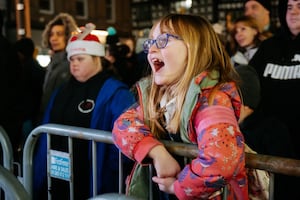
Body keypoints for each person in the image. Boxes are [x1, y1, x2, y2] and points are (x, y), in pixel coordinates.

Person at [112, 13, 248, 199]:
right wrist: (157, 152)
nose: (151, 49)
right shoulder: (157, 97)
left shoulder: (211, 100)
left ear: (194, 48)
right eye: (150, 42)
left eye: (162, 40)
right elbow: (123, 125)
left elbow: (221, 159)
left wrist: (180, 186)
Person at [33, 24, 135, 200]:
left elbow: (128, 137)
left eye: (81, 59)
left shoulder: (116, 92)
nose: (74, 64)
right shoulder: (62, 90)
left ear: (97, 59)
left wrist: (112, 172)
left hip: (94, 178)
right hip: (58, 176)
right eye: (72, 60)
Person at [249, 0, 300, 198]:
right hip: (271, 148)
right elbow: (248, 83)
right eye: (289, 7)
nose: (294, 12)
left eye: (299, 6)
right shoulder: (269, 47)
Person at [235, 64, 298, 200]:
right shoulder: (228, 129)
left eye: (229, 97)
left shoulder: (273, 130)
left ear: (243, 102)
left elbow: (286, 181)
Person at [39, 13, 78, 122]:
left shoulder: (71, 62)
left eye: (59, 34)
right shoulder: (53, 63)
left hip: (60, 120)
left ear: (68, 36)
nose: (54, 38)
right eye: (51, 34)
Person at [14, 37, 46, 141]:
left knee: (28, 143)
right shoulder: (36, 67)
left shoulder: (25, 69)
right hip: (33, 115)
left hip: (27, 116)